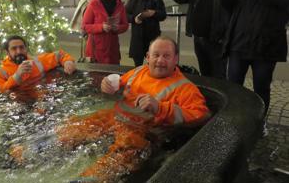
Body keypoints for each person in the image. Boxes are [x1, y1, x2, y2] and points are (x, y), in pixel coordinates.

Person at [57, 37, 210, 182]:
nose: (160, 61)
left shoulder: (185, 88)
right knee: (71, 131)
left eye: (167, 56)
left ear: (176, 59)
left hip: (141, 131)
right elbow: (116, 87)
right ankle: (45, 151)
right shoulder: (137, 72)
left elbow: (203, 115)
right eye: (156, 55)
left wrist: (161, 108)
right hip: (113, 118)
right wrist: (106, 86)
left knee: (116, 160)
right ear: (148, 57)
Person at [218, 0, 289, 113]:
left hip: (265, 49)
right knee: (233, 86)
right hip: (239, 45)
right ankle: (233, 118)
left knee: (261, 89)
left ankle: (259, 122)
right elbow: (230, 6)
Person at [172, 0, 230, 79]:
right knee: (204, 73)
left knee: (219, 76)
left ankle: (219, 96)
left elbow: (231, 4)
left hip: (217, 41)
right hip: (199, 40)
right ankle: (207, 96)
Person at [0, 35, 76, 102]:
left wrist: (68, 62)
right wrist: (16, 77)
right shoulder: (1, 72)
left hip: (42, 97)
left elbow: (59, 55)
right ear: (7, 52)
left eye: (21, 47)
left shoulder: (37, 61)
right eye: (14, 48)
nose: (19, 51)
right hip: (18, 104)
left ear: (26, 48)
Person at [82, 0, 129, 64]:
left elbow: (125, 25)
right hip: (96, 50)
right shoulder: (93, 4)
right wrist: (101, 27)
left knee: (113, 75)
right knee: (96, 76)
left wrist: (117, 28)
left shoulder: (119, 4)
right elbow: (84, 26)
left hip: (113, 49)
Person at [125, 0, 167, 66]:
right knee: (138, 66)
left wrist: (154, 13)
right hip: (138, 37)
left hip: (152, 36)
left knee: (152, 64)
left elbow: (163, 15)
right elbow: (125, 14)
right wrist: (134, 19)